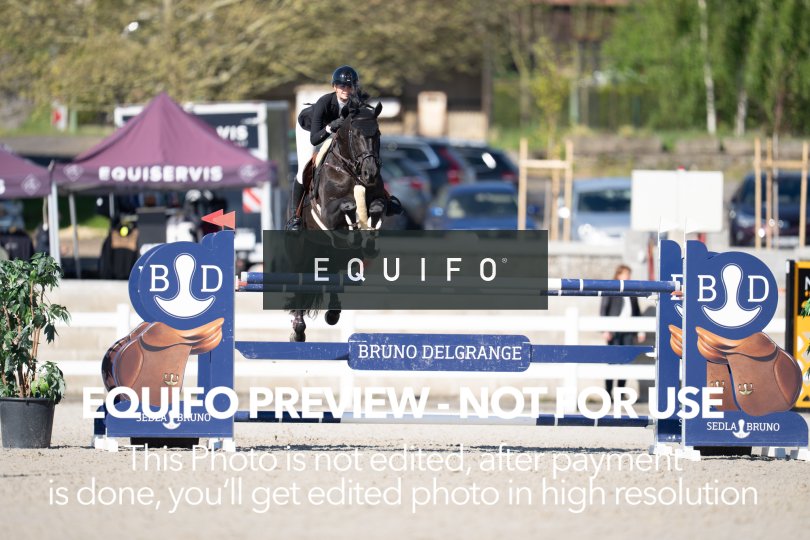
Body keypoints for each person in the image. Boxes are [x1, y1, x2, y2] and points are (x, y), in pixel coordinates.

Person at [287, 65, 360, 231]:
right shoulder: (324, 102)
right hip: (309, 129)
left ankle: (384, 197)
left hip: (332, 131)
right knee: (304, 169)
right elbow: (314, 139)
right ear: (335, 87)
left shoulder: (355, 105)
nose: (346, 90)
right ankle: (294, 217)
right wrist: (330, 127)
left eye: (349, 86)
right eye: (342, 86)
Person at [600, 264, 646, 398]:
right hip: (614, 331)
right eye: (626, 274)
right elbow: (604, 309)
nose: (628, 277)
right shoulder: (611, 288)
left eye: (629, 274)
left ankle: (620, 393)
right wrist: (605, 329)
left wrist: (640, 331)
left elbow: (637, 312)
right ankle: (608, 393)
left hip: (628, 331)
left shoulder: (632, 291)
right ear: (618, 274)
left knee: (625, 361)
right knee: (612, 361)